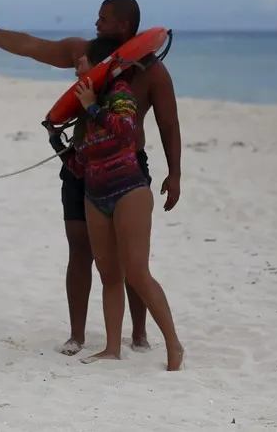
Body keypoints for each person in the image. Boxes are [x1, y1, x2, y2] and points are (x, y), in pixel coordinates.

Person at [0, 0, 182, 356]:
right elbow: (32, 46)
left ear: (124, 26)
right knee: (80, 248)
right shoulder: (85, 53)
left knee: (131, 259)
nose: (96, 23)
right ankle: (77, 334)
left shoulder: (151, 71)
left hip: (127, 165)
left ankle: (139, 332)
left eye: (103, 18)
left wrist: (175, 173)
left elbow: (168, 123)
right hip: (81, 164)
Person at [48, 37, 183, 371]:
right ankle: (111, 348)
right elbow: (80, 165)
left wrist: (94, 107)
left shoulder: (120, 92)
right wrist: (57, 142)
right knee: (109, 274)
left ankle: (173, 345)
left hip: (129, 189)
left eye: (81, 63)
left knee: (136, 271)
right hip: (95, 193)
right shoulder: (84, 105)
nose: (76, 67)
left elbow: (126, 131)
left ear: (97, 66)